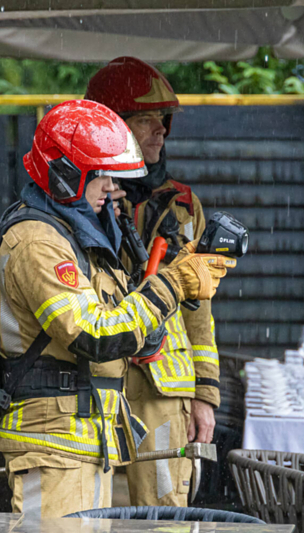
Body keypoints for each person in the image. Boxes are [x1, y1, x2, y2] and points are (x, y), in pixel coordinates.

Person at [0, 99, 235, 533]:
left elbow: (131, 332)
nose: (114, 190)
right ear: (64, 174)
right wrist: (172, 286)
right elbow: (95, 335)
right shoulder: (36, 243)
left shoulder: (79, 236)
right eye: (103, 178)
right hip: (53, 446)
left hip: (86, 442)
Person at [85, 57, 221, 507]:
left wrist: (205, 394)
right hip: (96, 384)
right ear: (111, 126)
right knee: (88, 525)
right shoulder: (75, 205)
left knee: (164, 530)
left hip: (165, 391)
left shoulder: (182, 206)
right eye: (145, 119)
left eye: (163, 120)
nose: (160, 130)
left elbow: (198, 309)